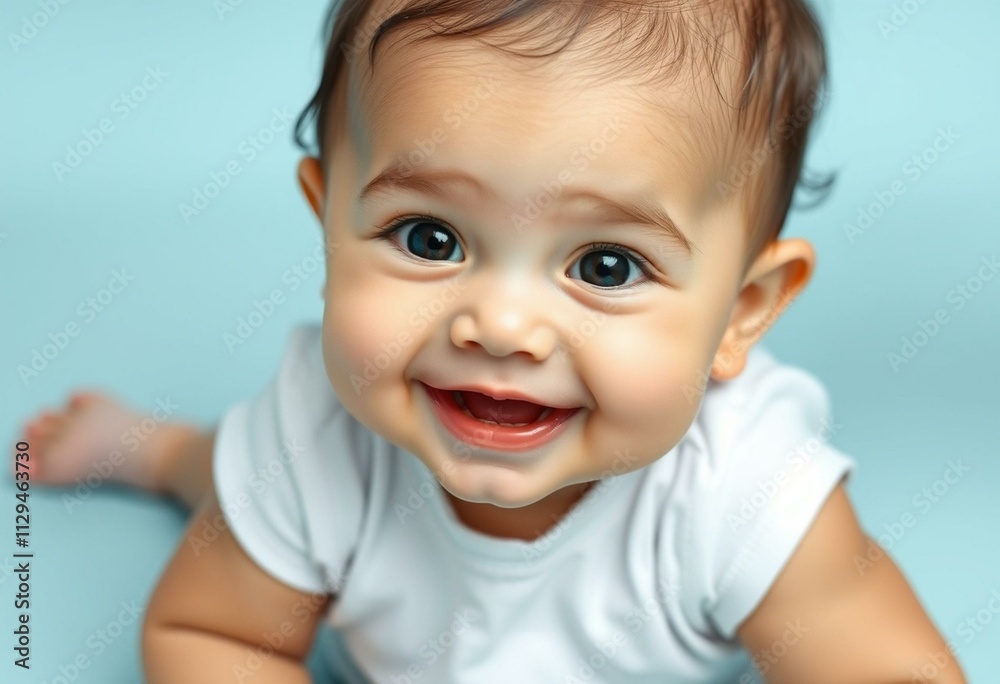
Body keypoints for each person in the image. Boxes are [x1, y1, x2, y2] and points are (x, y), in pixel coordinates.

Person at [19, 0, 967, 681]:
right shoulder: (314, 440)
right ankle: (157, 450)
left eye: (605, 266)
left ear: (742, 312)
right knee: (232, 471)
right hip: (290, 479)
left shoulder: (746, 487)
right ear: (329, 225)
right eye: (430, 239)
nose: (503, 329)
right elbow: (214, 636)